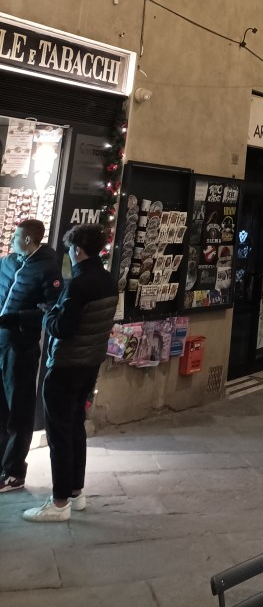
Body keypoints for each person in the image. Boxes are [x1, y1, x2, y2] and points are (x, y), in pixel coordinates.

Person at [23, 223, 118, 523]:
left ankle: (59, 501)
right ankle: (76, 493)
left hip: (65, 367)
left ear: (78, 250)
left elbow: (63, 329)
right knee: (76, 429)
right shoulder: (107, 280)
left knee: (59, 435)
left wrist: (48, 314)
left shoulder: (77, 285)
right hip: (90, 365)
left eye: (70, 251)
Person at [0, 219, 62, 494]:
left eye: (15, 237)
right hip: (0, 344)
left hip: (22, 347)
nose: (11, 241)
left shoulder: (48, 269)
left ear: (27, 240)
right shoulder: (7, 263)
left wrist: (15, 319)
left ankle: (14, 473)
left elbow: (51, 309)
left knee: (20, 411)